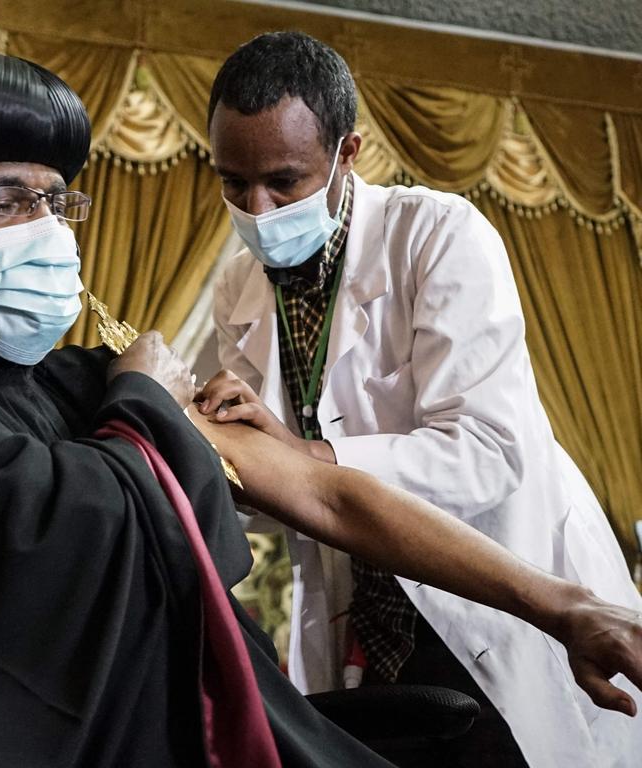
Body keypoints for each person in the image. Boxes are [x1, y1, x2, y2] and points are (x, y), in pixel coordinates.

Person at [0, 51, 642, 768]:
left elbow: (328, 496)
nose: (43, 231)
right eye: (0, 199)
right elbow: (32, 564)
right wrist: (144, 401)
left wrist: (566, 607)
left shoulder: (71, 381)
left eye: (54, 201)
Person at [199, 30, 642, 767]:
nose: (258, 208)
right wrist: (227, 449)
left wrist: (304, 455)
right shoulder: (238, 289)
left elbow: (488, 453)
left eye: (284, 180)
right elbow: (278, 495)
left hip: (491, 602)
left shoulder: (438, 237)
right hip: (368, 621)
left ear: (349, 154)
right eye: (233, 182)